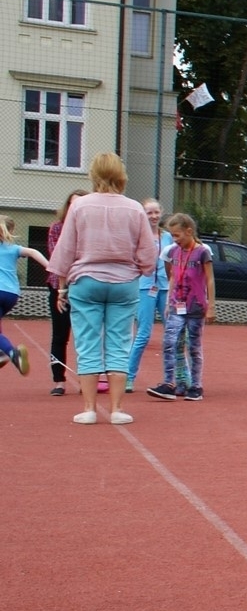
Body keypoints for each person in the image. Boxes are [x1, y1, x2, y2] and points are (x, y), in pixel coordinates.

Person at [47, 153, 157, 424]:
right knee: (120, 343)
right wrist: (141, 269)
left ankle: (89, 409)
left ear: (94, 174)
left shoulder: (80, 206)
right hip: (124, 283)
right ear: (121, 175)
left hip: (86, 281)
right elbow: (148, 255)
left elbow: (65, 249)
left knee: (87, 343)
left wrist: (61, 287)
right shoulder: (134, 208)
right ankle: (118, 409)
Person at [149, 213, 214, 401]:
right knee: (170, 343)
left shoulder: (202, 252)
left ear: (189, 231)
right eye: (172, 235)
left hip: (196, 306)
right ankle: (170, 383)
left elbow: (210, 279)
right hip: (177, 305)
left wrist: (211, 306)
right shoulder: (173, 252)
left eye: (177, 235)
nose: (174, 239)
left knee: (193, 346)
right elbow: (173, 277)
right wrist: (170, 300)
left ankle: (196, 386)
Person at [124, 199, 173, 394]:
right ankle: (128, 377)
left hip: (166, 288)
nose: (153, 216)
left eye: (156, 212)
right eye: (149, 213)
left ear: (161, 213)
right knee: (143, 334)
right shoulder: (138, 236)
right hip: (145, 287)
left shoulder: (168, 237)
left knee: (173, 332)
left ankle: (178, 376)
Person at [0, 216, 53, 376]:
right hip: (11, 294)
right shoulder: (13, 248)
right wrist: (50, 266)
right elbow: (32, 251)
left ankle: (12, 353)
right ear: (12, 231)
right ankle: (2, 353)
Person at [44, 190, 80, 396]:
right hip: (59, 285)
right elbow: (57, 256)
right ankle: (59, 380)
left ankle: (87, 378)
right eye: (72, 204)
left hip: (83, 286)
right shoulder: (57, 228)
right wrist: (62, 288)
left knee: (85, 336)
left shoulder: (89, 229)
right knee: (60, 334)